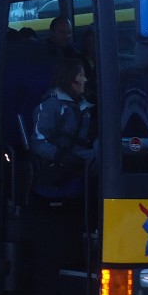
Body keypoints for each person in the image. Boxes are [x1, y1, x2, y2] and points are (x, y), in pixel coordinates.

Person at [30, 56, 94, 198]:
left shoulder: (84, 104)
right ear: (69, 78)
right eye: (81, 75)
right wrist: (60, 156)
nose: (85, 80)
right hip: (63, 159)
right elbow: (38, 142)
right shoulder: (51, 106)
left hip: (82, 154)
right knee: (106, 157)